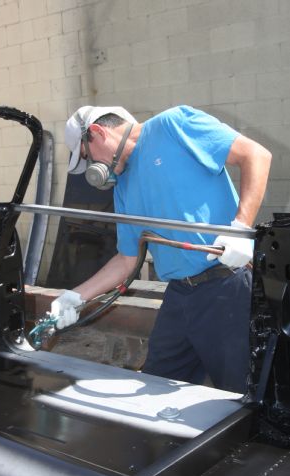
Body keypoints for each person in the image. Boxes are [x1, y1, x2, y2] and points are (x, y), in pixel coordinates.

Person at [50, 104, 272, 394]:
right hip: (180, 295)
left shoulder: (173, 124)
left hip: (228, 285)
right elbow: (126, 259)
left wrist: (241, 228)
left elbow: (256, 155)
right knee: (155, 382)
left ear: (96, 133)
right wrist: (75, 297)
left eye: (87, 156)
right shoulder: (123, 187)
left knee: (243, 392)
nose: (94, 167)